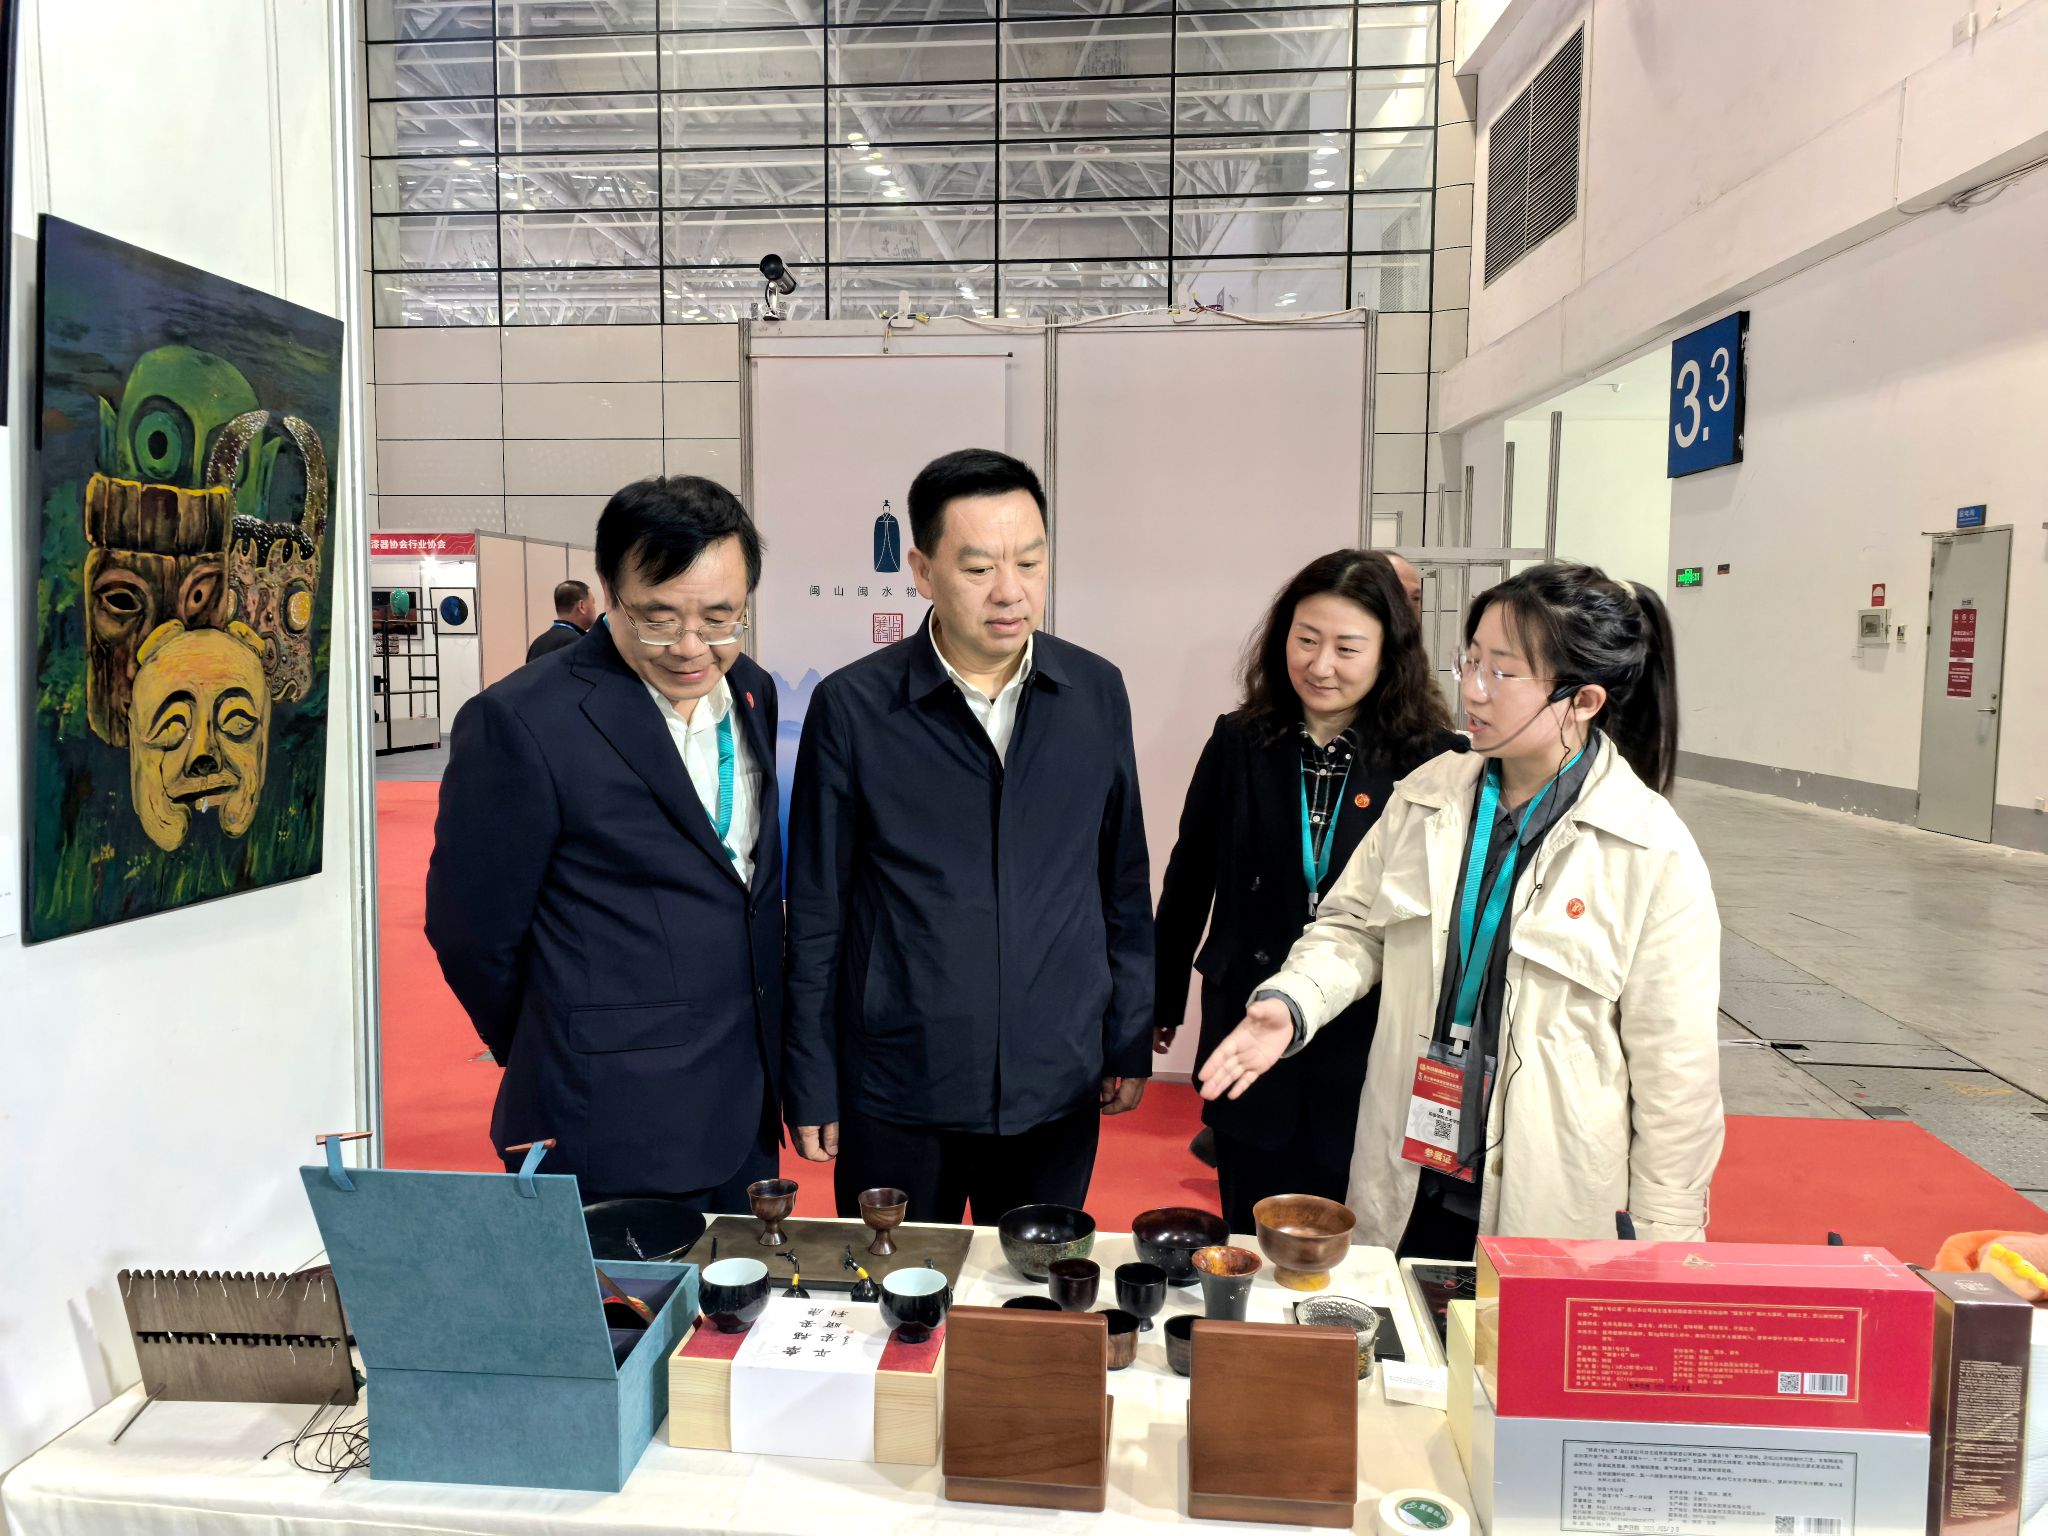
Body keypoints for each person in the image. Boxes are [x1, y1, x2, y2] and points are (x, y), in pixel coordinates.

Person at [1198, 564, 1722, 1258]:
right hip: (1409, 1170)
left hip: (1543, 1196)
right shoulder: (1428, 795)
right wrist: (1294, 1001)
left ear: (1584, 700)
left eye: (1502, 672)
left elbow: (1676, 1078)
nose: (1472, 689)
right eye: (1470, 660)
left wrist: (1664, 1248)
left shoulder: (1648, 851)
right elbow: (1354, 928)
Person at [784, 447, 1154, 1223]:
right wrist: (812, 1076)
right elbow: (818, 910)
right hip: (899, 1084)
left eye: (1031, 562)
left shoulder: (1095, 691)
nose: (1010, 591)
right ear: (922, 571)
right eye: (980, 567)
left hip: (1055, 1081)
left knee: (1032, 1289)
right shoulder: (856, 708)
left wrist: (1125, 1034)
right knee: (896, 1287)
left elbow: (1121, 879)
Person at [427, 477, 783, 1210]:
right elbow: (471, 933)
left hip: (744, 1100)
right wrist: (556, 1038)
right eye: (659, 618)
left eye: (721, 618)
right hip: (607, 1115)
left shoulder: (751, 689)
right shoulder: (523, 720)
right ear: (609, 594)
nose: (692, 647)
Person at [1156, 551, 1461, 1235]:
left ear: (1390, 653)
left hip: (1367, 1028)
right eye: (1306, 640)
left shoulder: (1435, 758)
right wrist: (1161, 995)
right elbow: (1190, 872)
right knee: (1251, 1223)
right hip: (1250, 1015)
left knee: (1359, 1229)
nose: (1321, 666)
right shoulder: (1239, 739)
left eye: (1347, 648)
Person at [527, 579, 596, 662]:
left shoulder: (536, 644)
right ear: (581, 606)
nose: (594, 608)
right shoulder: (581, 644)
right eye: (593, 603)